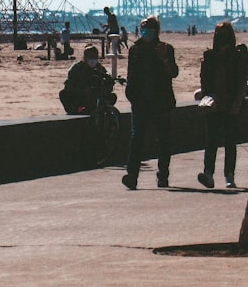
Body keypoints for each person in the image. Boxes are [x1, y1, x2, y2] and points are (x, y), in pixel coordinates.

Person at [121, 16, 179, 189]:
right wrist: (131, 95)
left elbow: (173, 72)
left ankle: (163, 176)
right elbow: (131, 75)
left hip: (161, 101)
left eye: (149, 29)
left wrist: (164, 59)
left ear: (156, 32)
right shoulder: (135, 50)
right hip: (141, 102)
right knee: (136, 139)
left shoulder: (166, 49)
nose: (145, 32)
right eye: (143, 28)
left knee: (163, 140)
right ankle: (132, 175)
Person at [197, 22, 248, 187]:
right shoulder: (210, 56)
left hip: (230, 103)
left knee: (230, 141)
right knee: (211, 140)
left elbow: (242, 81)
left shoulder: (237, 56)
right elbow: (204, 79)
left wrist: (237, 102)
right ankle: (208, 173)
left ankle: (229, 175)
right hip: (214, 103)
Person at [59, 44, 113, 115]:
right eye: (90, 57)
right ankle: (77, 110)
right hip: (80, 96)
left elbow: (107, 78)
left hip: (96, 96)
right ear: (85, 58)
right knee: (64, 94)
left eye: (95, 57)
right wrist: (82, 90)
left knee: (112, 97)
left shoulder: (99, 68)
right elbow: (69, 85)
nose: (93, 59)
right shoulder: (77, 68)